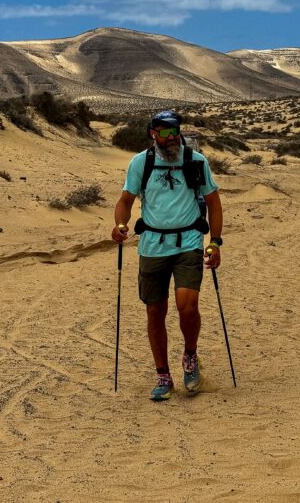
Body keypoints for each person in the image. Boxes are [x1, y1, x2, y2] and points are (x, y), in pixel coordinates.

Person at [111, 110, 223, 401]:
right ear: (153, 134)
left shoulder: (195, 161)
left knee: (187, 305)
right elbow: (125, 201)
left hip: (188, 242)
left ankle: (190, 356)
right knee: (154, 311)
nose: (171, 137)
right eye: (163, 132)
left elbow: (213, 202)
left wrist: (216, 242)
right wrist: (120, 225)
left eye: (175, 131)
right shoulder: (141, 163)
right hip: (151, 245)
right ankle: (163, 374)